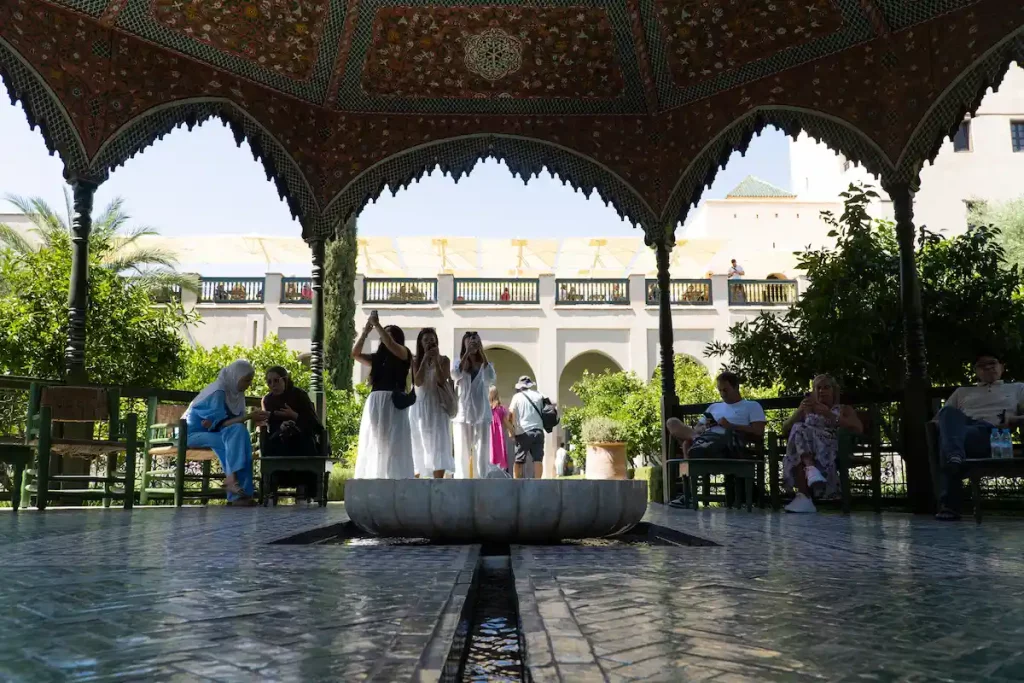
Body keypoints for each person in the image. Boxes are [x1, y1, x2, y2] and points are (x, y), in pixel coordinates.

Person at [934, 352, 1024, 520]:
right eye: (983, 365)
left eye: (993, 363)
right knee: (947, 412)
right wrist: (952, 428)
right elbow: (937, 420)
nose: (989, 367)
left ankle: (950, 505)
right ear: (976, 371)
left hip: (993, 435)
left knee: (950, 444)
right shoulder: (962, 392)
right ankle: (955, 454)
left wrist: (1013, 419)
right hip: (963, 432)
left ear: (1002, 367)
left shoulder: (1018, 388)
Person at [666, 371, 766, 506]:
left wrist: (731, 426)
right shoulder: (714, 407)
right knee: (673, 423)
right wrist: (702, 429)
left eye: (726, 390)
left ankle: (688, 493)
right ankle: (688, 490)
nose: (722, 394)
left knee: (686, 447)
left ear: (736, 387)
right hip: (704, 439)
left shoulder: (751, 406)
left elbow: (759, 431)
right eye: (720, 390)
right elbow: (697, 427)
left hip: (729, 444)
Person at [183, 359, 267, 506]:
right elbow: (223, 424)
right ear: (235, 376)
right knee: (229, 442)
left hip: (213, 431)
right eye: (246, 380)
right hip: (190, 433)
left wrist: (250, 418)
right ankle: (234, 491)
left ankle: (242, 491)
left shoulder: (236, 393)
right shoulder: (218, 391)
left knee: (242, 436)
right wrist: (248, 417)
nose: (249, 384)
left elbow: (233, 424)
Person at [780, 375, 863, 514]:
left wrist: (829, 415)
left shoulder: (843, 409)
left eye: (826, 387)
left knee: (799, 432)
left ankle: (805, 494)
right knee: (797, 429)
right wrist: (799, 411)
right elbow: (784, 428)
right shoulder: (807, 409)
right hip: (808, 448)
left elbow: (858, 428)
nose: (821, 391)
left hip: (832, 447)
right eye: (818, 388)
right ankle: (810, 470)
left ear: (833, 391)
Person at [352, 312, 415, 479]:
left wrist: (378, 326)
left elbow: (391, 345)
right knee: (376, 440)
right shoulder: (377, 358)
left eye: (390, 335)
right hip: (376, 401)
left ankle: (396, 478)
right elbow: (356, 354)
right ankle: (375, 477)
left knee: (395, 441)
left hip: (394, 401)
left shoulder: (404, 353)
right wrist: (366, 331)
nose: (385, 338)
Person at [262, 365, 326, 501]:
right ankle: (272, 490)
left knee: (304, 443)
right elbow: (271, 425)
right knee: (273, 444)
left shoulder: (299, 395)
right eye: (269, 382)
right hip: (280, 438)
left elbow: (314, 425)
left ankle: (304, 490)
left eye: (276, 380)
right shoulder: (268, 400)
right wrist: (281, 425)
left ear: (285, 380)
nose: (273, 385)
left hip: (302, 437)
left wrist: (294, 416)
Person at [410, 328, 455, 479]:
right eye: (426, 340)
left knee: (438, 444)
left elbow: (442, 380)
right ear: (420, 343)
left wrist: (435, 360)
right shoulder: (415, 360)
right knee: (418, 443)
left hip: (438, 406)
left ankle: (438, 483)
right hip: (420, 407)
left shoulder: (445, 360)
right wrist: (424, 359)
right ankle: (417, 483)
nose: (430, 342)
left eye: (432, 339)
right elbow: (418, 381)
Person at [452, 331, 496, 478]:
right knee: (462, 449)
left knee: (482, 449)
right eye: (470, 340)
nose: (473, 342)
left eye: (476, 340)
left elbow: (491, 378)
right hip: (463, 412)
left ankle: (482, 478)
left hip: (482, 412)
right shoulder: (458, 362)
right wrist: (467, 353)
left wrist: (482, 353)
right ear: (464, 343)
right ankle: (462, 479)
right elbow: (456, 374)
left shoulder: (485, 364)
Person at [509, 375, 547, 479]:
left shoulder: (517, 397)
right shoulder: (538, 395)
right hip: (538, 430)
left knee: (519, 459)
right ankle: (538, 482)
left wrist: (512, 429)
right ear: (530, 385)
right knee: (538, 459)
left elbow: (511, 412)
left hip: (523, 431)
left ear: (520, 386)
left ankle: (517, 483)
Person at [489, 386, 514, 472]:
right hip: (499, 439)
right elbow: (508, 424)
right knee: (500, 459)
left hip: (488, 438)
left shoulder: (485, 409)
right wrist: (513, 432)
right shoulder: (500, 409)